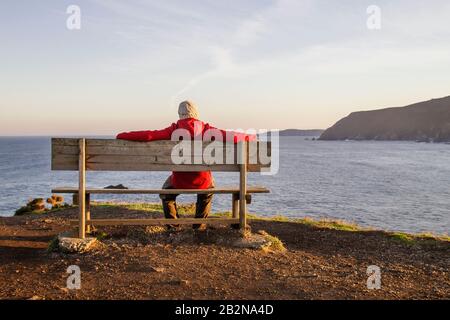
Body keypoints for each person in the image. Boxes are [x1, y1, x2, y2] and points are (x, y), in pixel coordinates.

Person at [116, 100, 255, 230]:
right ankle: (199, 227)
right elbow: (232, 136)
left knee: (166, 193)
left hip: (179, 180)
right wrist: (251, 137)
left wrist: (122, 135)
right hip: (202, 181)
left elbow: (148, 135)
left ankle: (173, 226)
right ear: (196, 114)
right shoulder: (206, 129)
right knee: (207, 190)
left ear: (180, 114)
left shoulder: (174, 129)